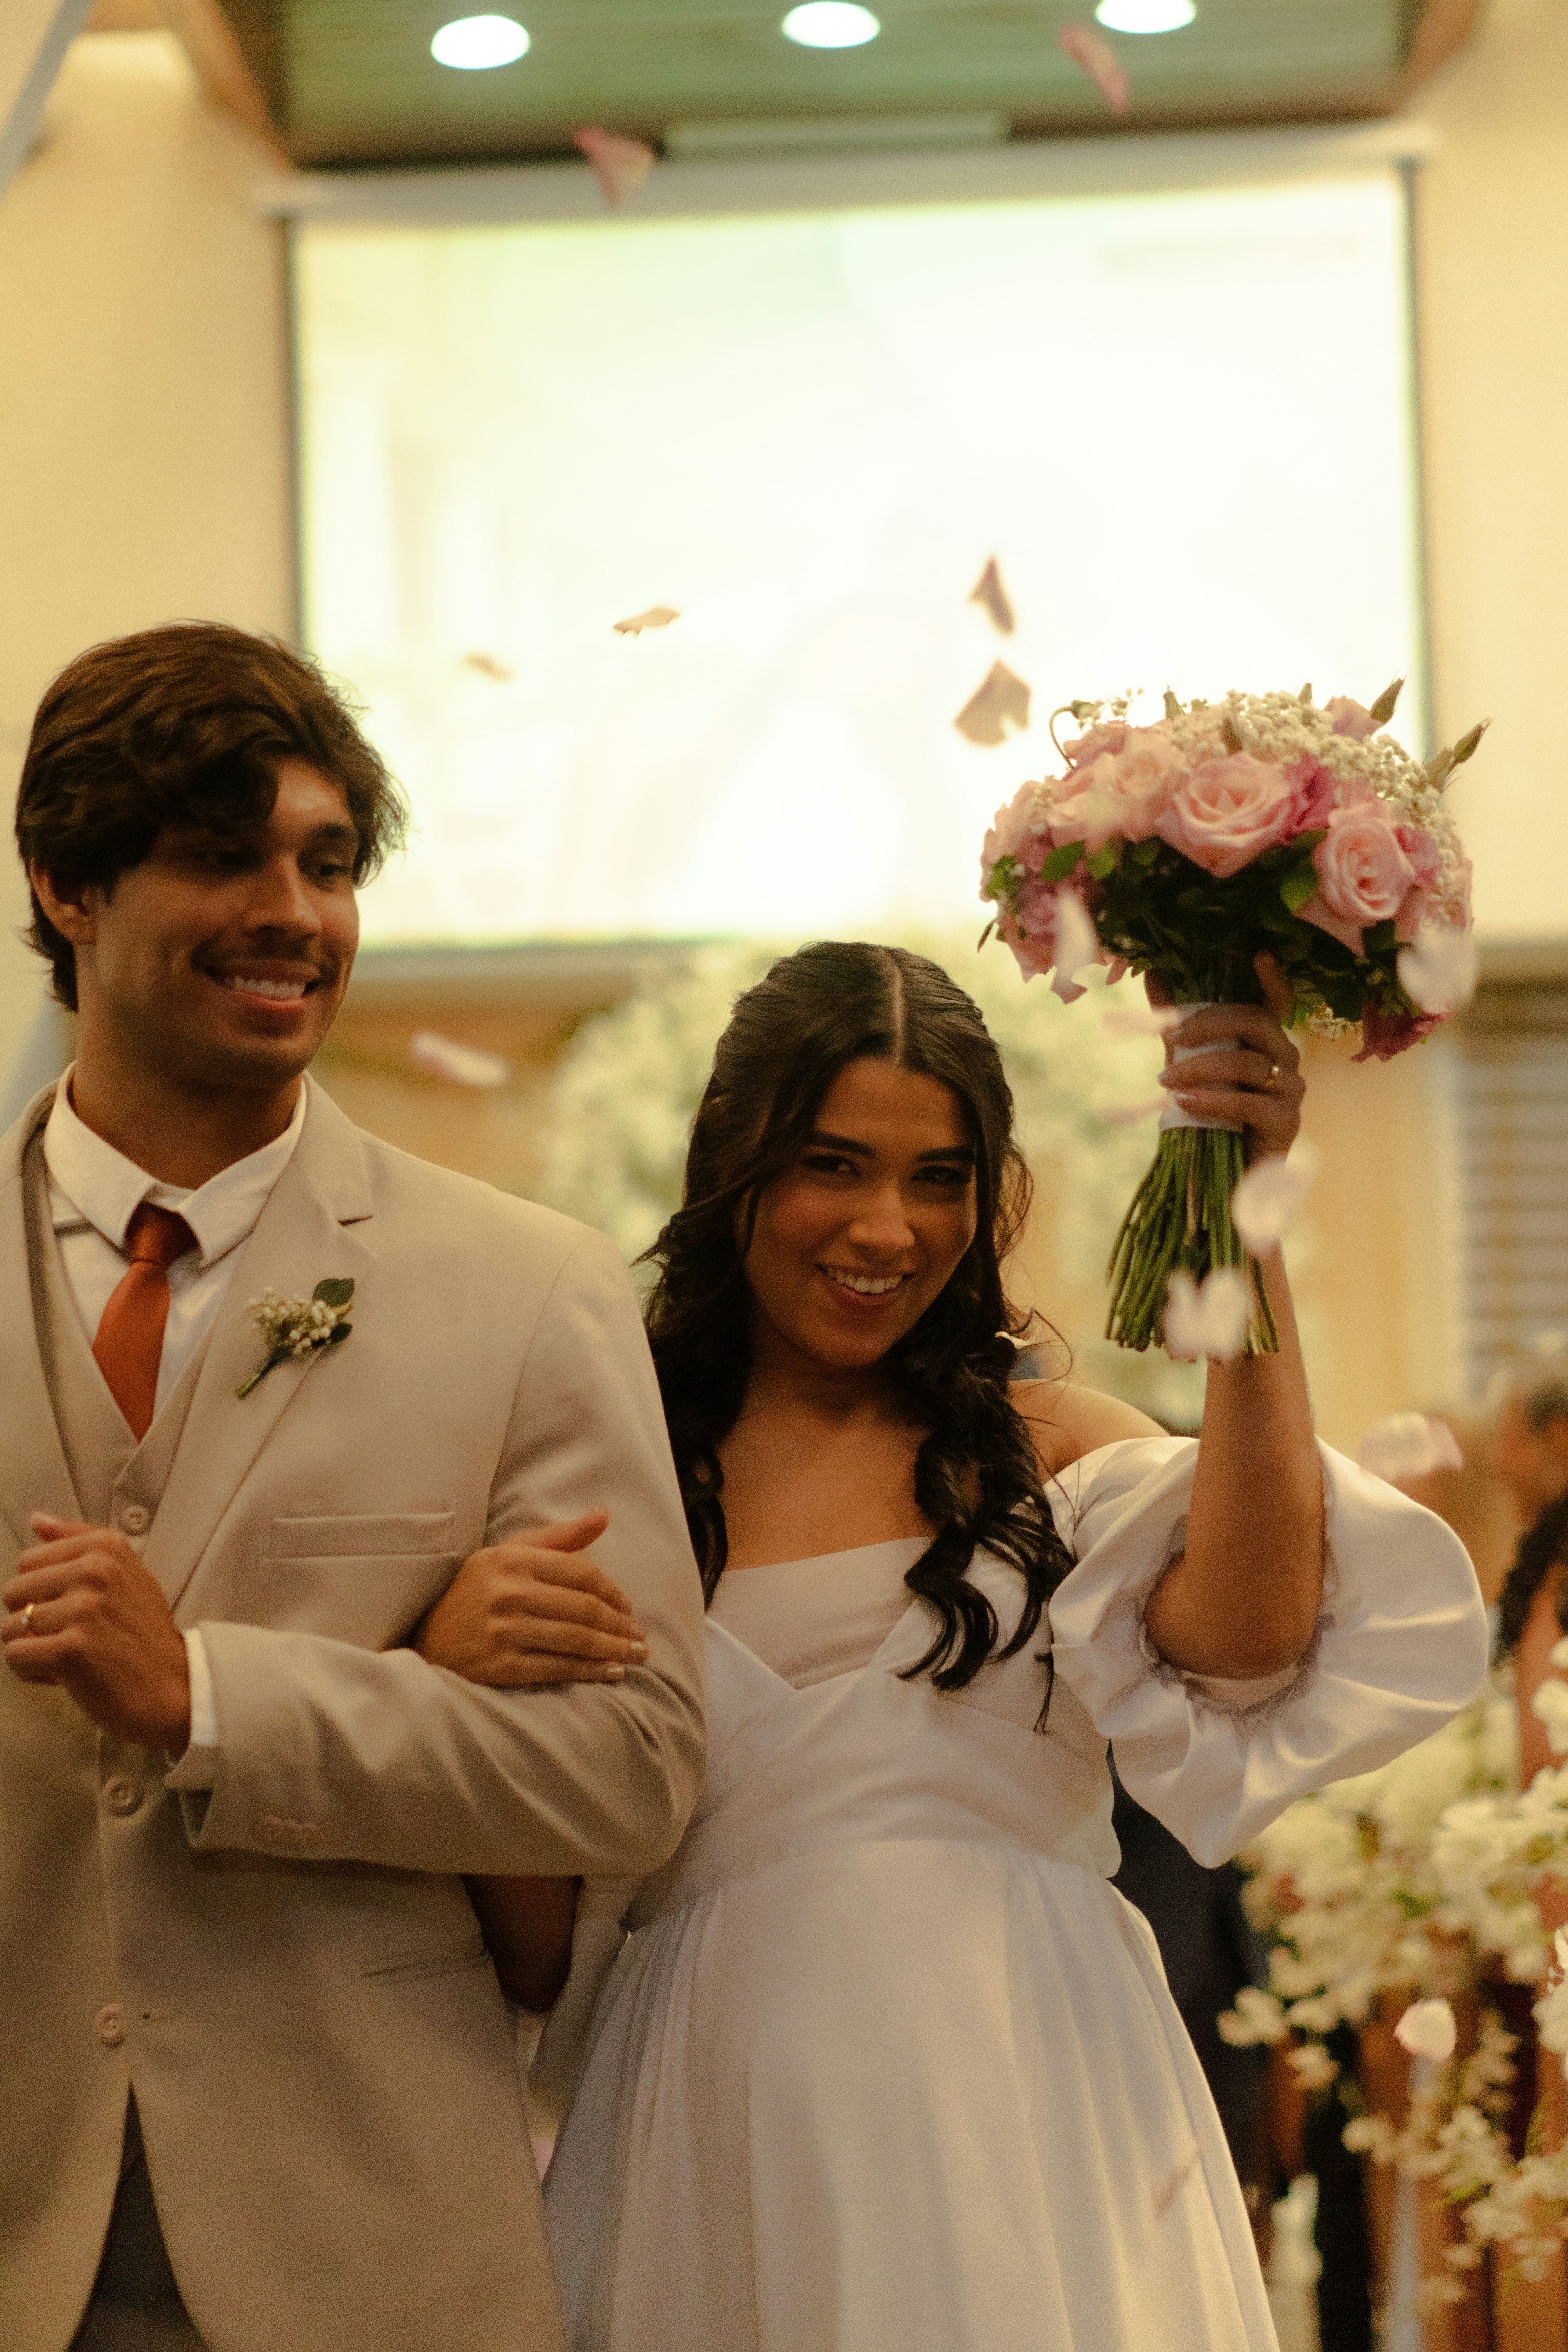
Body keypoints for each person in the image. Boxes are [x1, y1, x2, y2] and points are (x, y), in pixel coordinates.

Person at [421, 940, 1488, 2352]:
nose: (887, 1230)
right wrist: (462, 1677)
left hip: (1034, 2095)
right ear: (729, 1162)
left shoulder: (1051, 1449)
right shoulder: (607, 1470)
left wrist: (1247, 1212)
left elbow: (1251, 1635)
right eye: (833, 1165)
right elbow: (536, 1950)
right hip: (718, 2124)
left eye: (940, 1179)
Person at [0, 623, 706, 2352]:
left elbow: (636, 1772)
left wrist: (218, 1700)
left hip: (367, 2249)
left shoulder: (524, 1287)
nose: (292, 913)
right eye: (219, 853)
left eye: (326, 865)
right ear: (66, 888)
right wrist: (419, 1669)